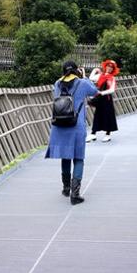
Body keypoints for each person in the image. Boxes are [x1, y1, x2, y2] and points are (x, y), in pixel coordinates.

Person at [45, 60, 98, 205]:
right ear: (76, 71)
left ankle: (66, 188)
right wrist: (84, 76)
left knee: (66, 156)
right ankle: (75, 195)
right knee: (78, 158)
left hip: (60, 126)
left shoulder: (57, 83)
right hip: (76, 126)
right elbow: (95, 91)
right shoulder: (82, 83)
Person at [87, 59, 119, 142]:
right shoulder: (100, 75)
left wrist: (102, 93)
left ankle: (108, 134)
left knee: (108, 116)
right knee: (97, 115)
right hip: (100, 98)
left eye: (111, 67)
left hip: (107, 99)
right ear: (106, 66)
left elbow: (112, 90)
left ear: (113, 69)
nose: (109, 68)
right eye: (108, 66)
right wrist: (95, 70)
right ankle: (93, 134)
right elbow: (91, 78)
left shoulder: (112, 78)